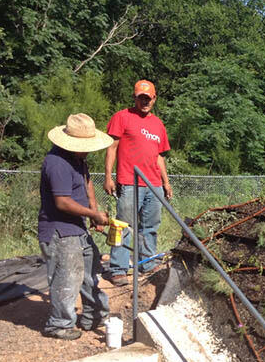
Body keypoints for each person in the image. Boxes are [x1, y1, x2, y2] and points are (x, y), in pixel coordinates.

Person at [39, 113, 112, 340]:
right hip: (60, 231)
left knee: (90, 273)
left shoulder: (78, 159)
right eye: (85, 146)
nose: (88, 150)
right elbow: (62, 202)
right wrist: (94, 214)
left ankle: (94, 316)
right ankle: (59, 324)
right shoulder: (57, 163)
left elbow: (86, 180)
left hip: (78, 227)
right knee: (67, 277)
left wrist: (93, 209)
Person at [104, 79, 172, 286]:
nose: (145, 101)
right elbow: (112, 147)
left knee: (150, 227)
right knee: (122, 225)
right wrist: (108, 176)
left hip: (154, 185)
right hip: (129, 181)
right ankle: (118, 269)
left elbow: (160, 156)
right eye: (141, 98)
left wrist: (166, 182)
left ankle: (147, 263)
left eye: (148, 98)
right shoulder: (122, 117)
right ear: (134, 97)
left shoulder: (158, 124)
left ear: (154, 98)